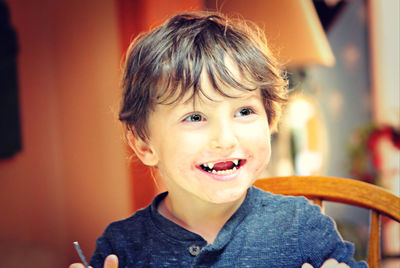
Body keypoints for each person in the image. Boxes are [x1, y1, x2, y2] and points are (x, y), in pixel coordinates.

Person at [70, 12, 367, 268]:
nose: (225, 139)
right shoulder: (122, 247)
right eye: (195, 117)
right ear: (144, 145)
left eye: (244, 111)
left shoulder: (302, 227)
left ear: (270, 118)